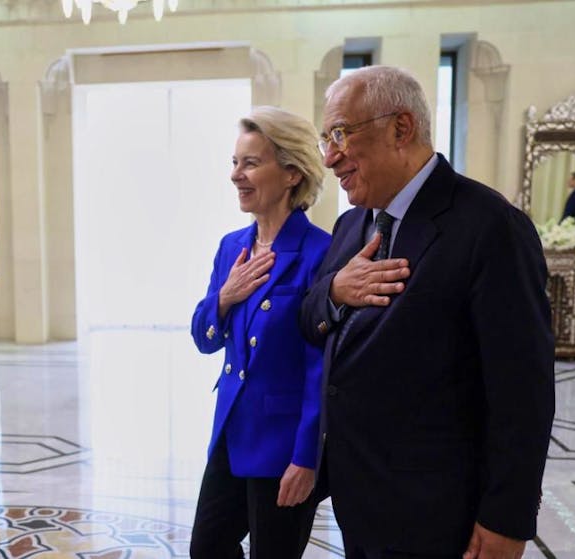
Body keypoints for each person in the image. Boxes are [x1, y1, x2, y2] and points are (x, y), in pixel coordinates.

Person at [300, 65, 554, 559]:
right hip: (360, 497)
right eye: (325, 139)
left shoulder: (489, 226)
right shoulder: (351, 225)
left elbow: (523, 392)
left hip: (440, 512)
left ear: (401, 128)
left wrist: (507, 518)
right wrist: (335, 289)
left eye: (340, 134)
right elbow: (310, 319)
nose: (329, 157)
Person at [189, 106, 330, 558]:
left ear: (292, 173)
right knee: (206, 548)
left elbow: (321, 368)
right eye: (235, 162)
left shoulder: (320, 252)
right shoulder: (232, 247)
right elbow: (204, 338)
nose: (236, 175)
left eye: (250, 163)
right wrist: (225, 297)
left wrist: (306, 458)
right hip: (232, 434)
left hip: (284, 445)